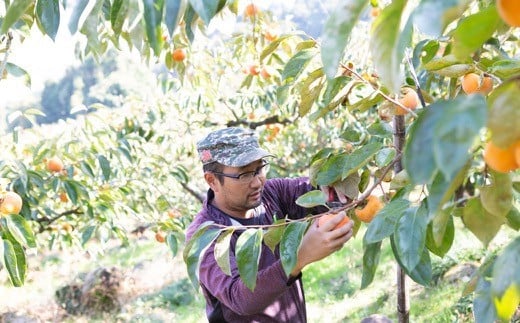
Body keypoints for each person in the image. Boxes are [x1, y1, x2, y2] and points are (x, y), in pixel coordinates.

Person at [185, 127, 354, 323]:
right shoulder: (204, 236)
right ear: (212, 180)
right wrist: (299, 258)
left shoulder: (271, 194)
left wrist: (334, 185)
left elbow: (314, 191)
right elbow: (239, 297)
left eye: (259, 168)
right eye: (244, 174)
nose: (257, 182)